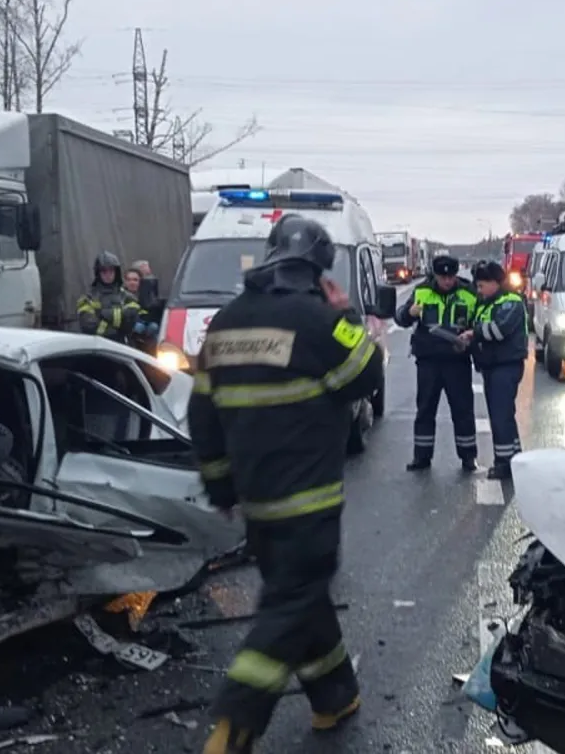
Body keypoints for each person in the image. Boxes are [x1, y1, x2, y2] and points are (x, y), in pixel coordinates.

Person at [190, 215, 383, 754]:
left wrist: (222, 489)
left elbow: (202, 415)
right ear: (319, 269)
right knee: (291, 605)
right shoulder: (318, 320)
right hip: (308, 504)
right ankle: (235, 722)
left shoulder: (225, 323)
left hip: (256, 503)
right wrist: (344, 313)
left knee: (300, 597)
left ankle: (334, 696)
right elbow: (367, 374)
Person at [394, 254, 480, 472]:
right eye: (443, 277)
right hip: (428, 361)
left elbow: (480, 321)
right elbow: (400, 318)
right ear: (435, 275)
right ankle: (421, 457)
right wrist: (409, 312)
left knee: (462, 410)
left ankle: (468, 456)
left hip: (457, 361)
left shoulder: (468, 293)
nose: (447, 281)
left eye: (450, 276)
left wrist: (472, 336)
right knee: (425, 410)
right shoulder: (422, 292)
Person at [465, 261, 528, 480]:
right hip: (493, 366)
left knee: (501, 416)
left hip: (506, 365)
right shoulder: (489, 303)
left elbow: (499, 331)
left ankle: (504, 464)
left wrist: (474, 334)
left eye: (482, 285)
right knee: (503, 415)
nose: (479, 290)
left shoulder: (510, 302)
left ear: (495, 283)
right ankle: (515, 457)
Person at [77, 251, 141, 342]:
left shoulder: (128, 298)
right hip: (96, 346)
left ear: (116, 272)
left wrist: (102, 316)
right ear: (98, 272)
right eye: (104, 271)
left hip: (122, 346)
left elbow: (129, 324)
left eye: (111, 271)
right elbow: (88, 327)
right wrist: (116, 328)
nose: (108, 274)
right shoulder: (87, 298)